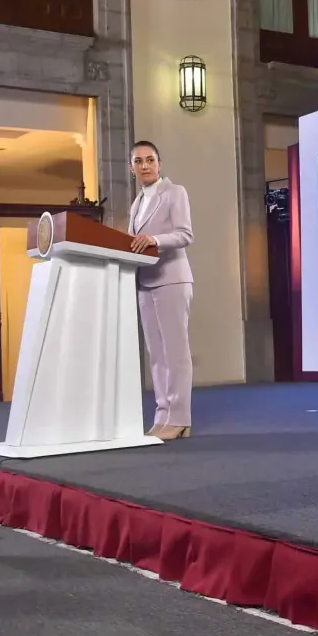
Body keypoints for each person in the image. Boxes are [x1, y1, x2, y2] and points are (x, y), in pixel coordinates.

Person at [128, 141, 195, 441]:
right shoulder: (137, 202)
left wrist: (153, 238)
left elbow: (184, 235)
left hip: (172, 278)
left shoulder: (174, 192)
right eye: (138, 161)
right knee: (156, 355)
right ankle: (163, 413)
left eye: (150, 159)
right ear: (131, 167)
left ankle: (180, 417)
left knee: (175, 352)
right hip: (146, 281)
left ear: (159, 163)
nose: (145, 165)